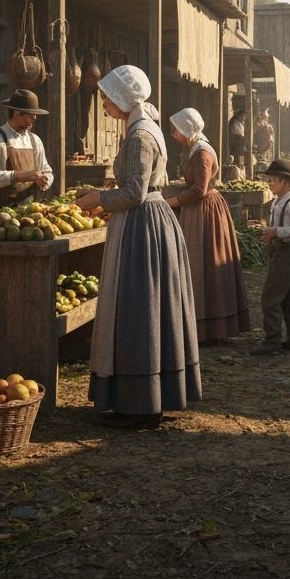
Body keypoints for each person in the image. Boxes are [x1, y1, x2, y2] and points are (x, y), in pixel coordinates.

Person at [76, 66, 201, 428]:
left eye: (106, 97)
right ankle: (138, 400)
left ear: (121, 98)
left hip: (143, 228)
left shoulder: (141, 136)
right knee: (140, 309)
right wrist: (103, 201)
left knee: (139, 309)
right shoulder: (141, 128)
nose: (102, 104)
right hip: (144, 223)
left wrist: (99, 197)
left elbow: (134, 192)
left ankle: (142, 404)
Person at [166, 107, 251, 342]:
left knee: (201, 264)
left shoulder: (202, 153)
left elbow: (199, 190)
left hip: (204, 213)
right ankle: (198, 326)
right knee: (197, 265)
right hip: (198, 210)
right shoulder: (195, 149)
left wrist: (170, 202)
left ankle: (207, 327)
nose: (173, 134)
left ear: (186, 129)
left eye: (176, 130)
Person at [251, 157, 290, 355]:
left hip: (287, 254)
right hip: (280, 252)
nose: (270, 183)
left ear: (285, 181)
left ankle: (272, 340)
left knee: (270, 298)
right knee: (289, 299)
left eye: (273, 180)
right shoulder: (278, 200)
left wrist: (276, 232)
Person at [0, 89, 54, 206]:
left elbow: (47, 170)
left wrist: (45, 181)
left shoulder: (34, 140)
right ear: (17, 114)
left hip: (32, 209)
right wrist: (22, 175)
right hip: (3, 212)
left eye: (34, 118)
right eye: (30, 117)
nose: (32, 122)